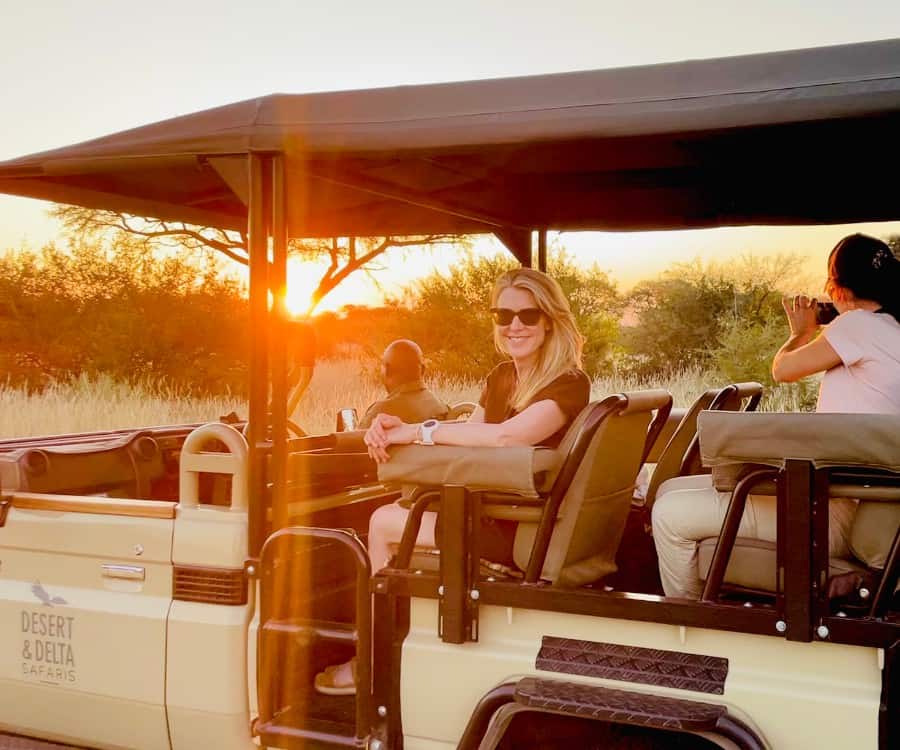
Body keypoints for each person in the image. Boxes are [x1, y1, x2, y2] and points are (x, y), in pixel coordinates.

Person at [314, 268, 591, 694]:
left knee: (382, 522)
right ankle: (397, 646)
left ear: (549, 319)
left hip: (516, 524)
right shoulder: (503, 377)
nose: (514, 325)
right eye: (504, 315)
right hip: (494, 508)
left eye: (528, 315)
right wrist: (399, 425)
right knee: (393, 513)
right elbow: (469, 442)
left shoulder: (569, 382)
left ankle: (371, 659)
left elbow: (506, 437)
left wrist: (416, 432)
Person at [652, 233, 900, 598]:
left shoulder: (859, 325)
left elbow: (783, 369)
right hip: (857, 495)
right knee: (671, 488)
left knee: (668, 513)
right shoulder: (890, 329)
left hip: (836, 510)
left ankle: (688, 626)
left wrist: (800, 333)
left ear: (839, 290)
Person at [357, 339, 448, 429]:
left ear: (387, 371)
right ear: (423, 370)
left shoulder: (380, 414)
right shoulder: (441, 407)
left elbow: (353, 441)